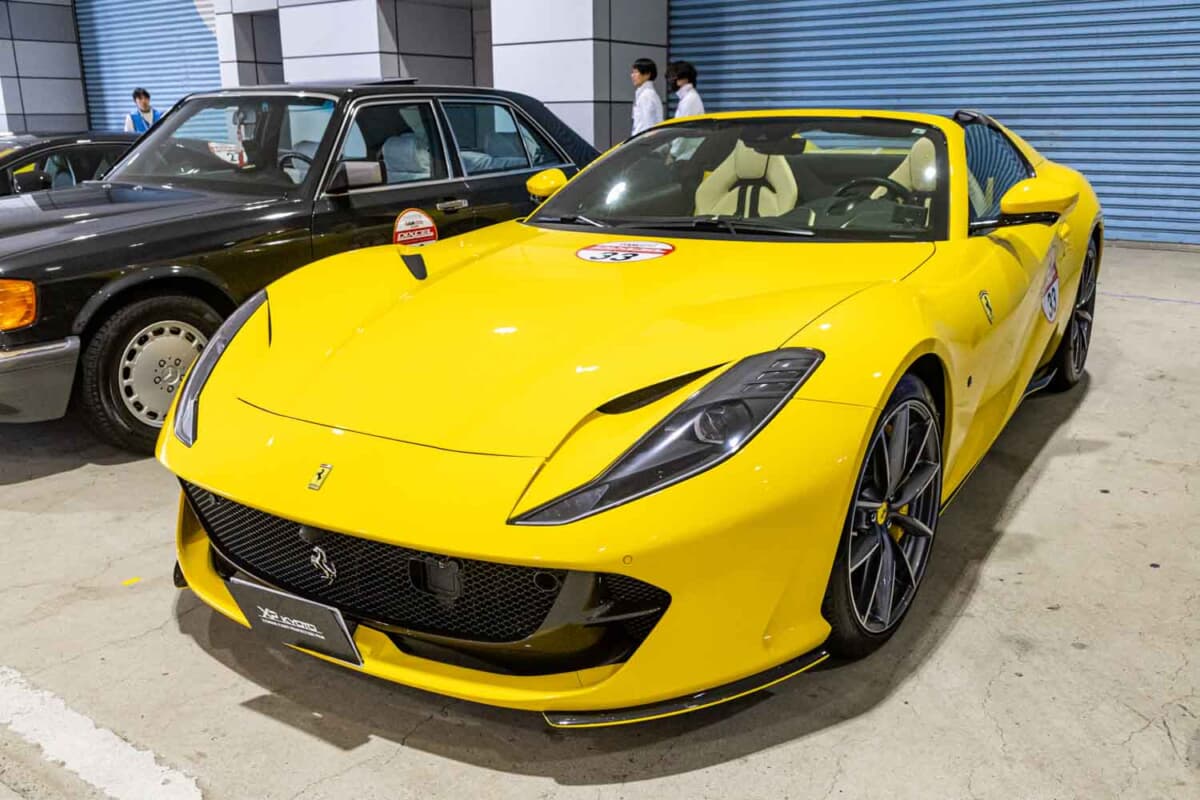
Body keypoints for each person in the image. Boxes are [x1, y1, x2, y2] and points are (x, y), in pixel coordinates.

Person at [630, 58, 663, 136]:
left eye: (636, 72)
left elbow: (648, 125)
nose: (632, 75)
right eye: (632, 72)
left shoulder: (647, 95)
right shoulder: (645, 94)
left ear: (647, 74)